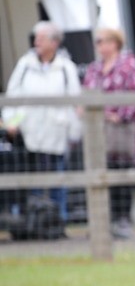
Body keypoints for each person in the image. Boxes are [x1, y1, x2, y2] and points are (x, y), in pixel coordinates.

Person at [3, 21, 81, 225]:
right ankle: (31, 223)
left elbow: (75, 103)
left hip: (57, 132)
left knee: (58, 178)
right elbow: (14, 98)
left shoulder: (66, 68)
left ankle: (59, 222)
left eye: (41, 38)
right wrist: (12, 123)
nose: (36, 42)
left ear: (54, 42)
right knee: (32, 179)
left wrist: (74, 132)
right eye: (36, 38)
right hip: (29, 133)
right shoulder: (25, 65)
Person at [83, 27, 135, 239]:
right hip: (97, 132)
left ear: (114, 43)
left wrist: (120, 116)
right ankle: (102, 222)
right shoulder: (94, 68)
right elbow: (85, 95)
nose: (99, 45)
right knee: (100, 174)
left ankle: (122, 220)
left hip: (122, 131)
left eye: (102, 41)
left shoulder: (128, 65)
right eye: (97, 41)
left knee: (122, 175)